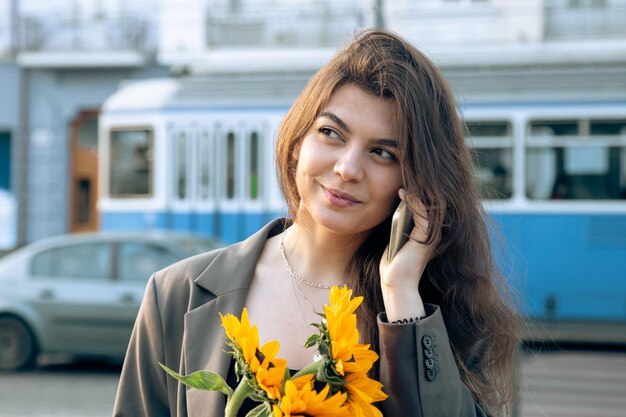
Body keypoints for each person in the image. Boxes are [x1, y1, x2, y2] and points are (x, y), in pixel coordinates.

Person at [113, 29, 519, 417]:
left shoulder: (441, 312)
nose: (347, 169)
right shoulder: (176, 296)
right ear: (296, 144)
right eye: (331, 133)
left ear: (414, 181)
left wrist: (402, 298)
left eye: (382, 153)